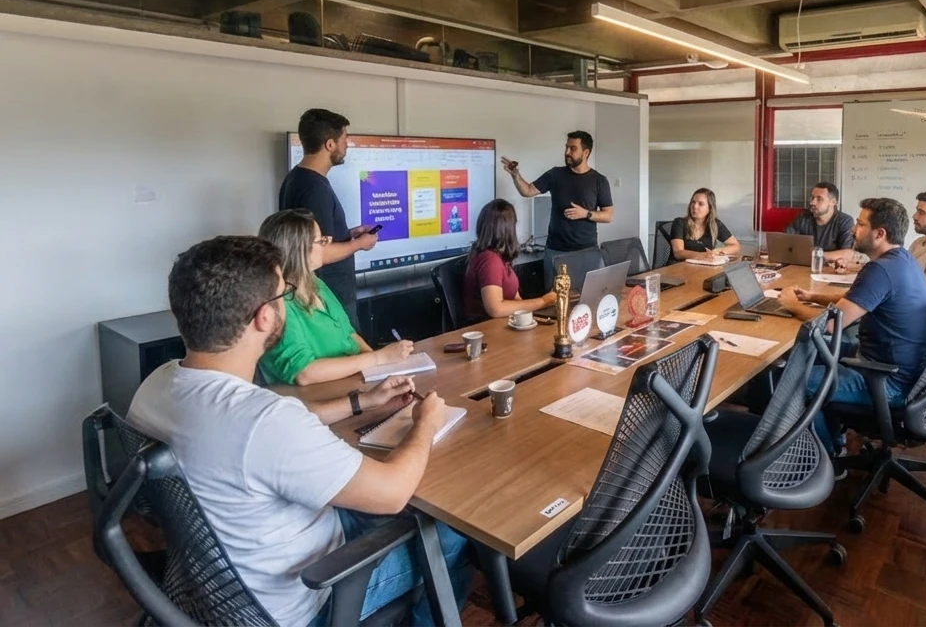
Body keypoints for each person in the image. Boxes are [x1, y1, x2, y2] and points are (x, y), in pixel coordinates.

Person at [127, 236, 473, 627]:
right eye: (283, 294)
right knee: (450, 536)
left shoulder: (157, 384)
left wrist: (361, 401)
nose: (286, 302)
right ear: (264, 317)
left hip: (218, 586)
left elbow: (269, 423)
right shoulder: (265, 423)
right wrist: (425, 423)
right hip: (305, 601)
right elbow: (392, 493)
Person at [778, 198, 926, 450]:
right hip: (905, 372)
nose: (853, 229)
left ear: (879, 234)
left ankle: (824, 454)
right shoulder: (901, 260)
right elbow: (857, 300)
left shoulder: (880, 270)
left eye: (861, 224)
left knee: (794, 382)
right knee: (810, 354)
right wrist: (812, 297)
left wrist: (791, 305)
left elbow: (830, 326)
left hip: (888, 381)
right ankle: (835, 438)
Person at [257, 209, 415, 385]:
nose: (326, 246)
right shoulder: (277, 303)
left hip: (351, 382)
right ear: (299, 251)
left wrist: (382, 368)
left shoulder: (315, 283)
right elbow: (304, 373)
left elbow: (349, 334)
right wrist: (378, 358)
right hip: (316, 395)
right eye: (321, 241)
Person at [278, 108, 377, 328]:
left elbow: (314, 238)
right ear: (330, 144)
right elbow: (318, 251)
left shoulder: (297, 178)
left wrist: (348, 234)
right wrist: (359, 244)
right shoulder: (315, 189)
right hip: (330, 294)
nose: (347, 146)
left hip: (320, 292)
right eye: (345, 139)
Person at [501, 130, 614, 282]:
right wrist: (515, 175)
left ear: (586, 152)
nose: (567, 152)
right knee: (553, 295)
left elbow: (608, 215)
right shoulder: (555, 175)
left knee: (587, 295)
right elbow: (527, 191)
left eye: (573, 148)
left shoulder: (599, 181)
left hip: (587, 251)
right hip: (555, 251)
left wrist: (586, 213)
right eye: (566, 147)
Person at [464, 199, 558, 322]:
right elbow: (496, 309)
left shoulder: (499, 257)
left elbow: (515, 299)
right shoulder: (489, 260)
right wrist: (544, 301)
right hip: (488, 326)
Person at [784, 182, 855, 264]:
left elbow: (847, 253)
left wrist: (815, 256)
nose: (812, 202)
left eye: (819, 199)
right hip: (801, 265)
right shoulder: (803, 217)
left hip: (829, 269)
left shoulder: (845, 221)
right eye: (812, 198)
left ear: (833, 202)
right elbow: (785, 242)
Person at [670, 188, 741, 262]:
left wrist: (718, 251)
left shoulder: (715, 224)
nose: (695, 206)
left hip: (704, 265)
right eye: (693, 202)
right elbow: (678, 253)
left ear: (710, 208)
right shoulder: (679, 223)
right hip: (680, 266)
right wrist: (703, 255)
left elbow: (735, 245)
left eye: (700, 204)